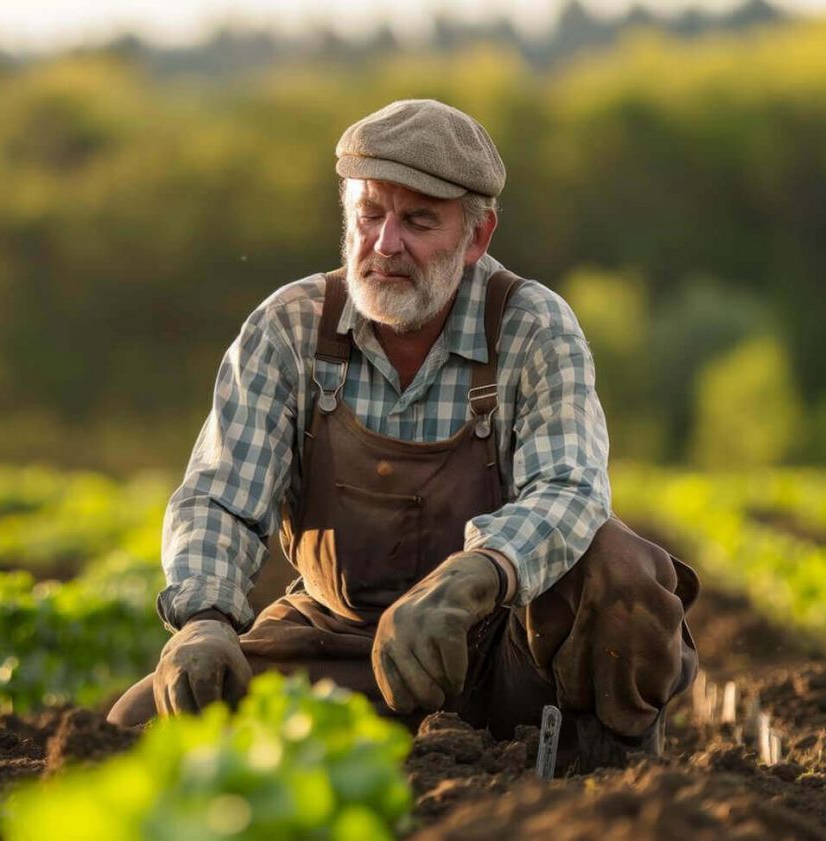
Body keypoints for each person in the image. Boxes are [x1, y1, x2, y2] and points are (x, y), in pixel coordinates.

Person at [106, 99, 701, 771]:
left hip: (501, 648)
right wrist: (204, 617)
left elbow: (568, 488)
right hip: (337, 641)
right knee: (139, 726)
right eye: (369, 214)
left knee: (620, 565)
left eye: (417, 221)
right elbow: (220, 496)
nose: (384, 244)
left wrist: (472, 580)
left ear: (476, 238)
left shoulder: (532, 327)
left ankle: (609, 771)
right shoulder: (291, 327)